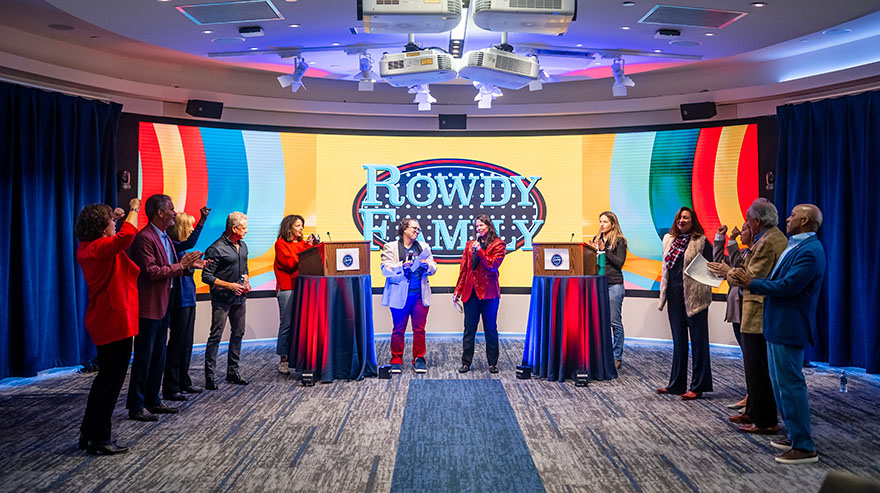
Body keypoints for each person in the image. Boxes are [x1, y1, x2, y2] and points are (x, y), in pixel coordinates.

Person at [730, 204, 825, 464]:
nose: (788, 218)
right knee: (780, 385)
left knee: (791, 386)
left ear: (805, 220)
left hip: (789, 326)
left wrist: (751, 282)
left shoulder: (810, 251)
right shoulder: (795, 245)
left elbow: (788, 286)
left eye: (793, 215)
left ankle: (804, 447)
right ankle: (794, 436)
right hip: (777, 324)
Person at [712, 198, 788, 435]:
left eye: (748, 220)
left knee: (758, 368)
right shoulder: (768, 238)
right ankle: (753, 411)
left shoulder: (768, 242)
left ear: (756, 221)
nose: (746, 224)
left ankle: (765, 420)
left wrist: (727, 272)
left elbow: (750, 277)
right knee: (753, 367)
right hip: (754, 311)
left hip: (758, 312)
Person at [127, 195, 205, 422]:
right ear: (159, 213)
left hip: (164, 304)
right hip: (150, 306)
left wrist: (190, 266)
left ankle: (153, 400)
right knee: (144, 357)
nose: (174, 212)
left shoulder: (164, 237)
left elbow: (172, 268)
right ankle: (137, 405)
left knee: (159, 356)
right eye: (171, 209)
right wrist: (181, 265)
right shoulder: (144, 238)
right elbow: (151, 272)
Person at [75, 198, 141, 455]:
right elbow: (127, 236)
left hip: (105, 319)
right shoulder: (99, 247)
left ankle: (89, 433)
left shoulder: (88, 246)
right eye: (112, 222)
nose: (116, 223)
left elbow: (117, 233)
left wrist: (113, 216)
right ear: (102, 228)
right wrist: (134, 208)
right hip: (114, 320)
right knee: (111, 382)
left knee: (105, 380)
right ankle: (100, 437)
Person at [656, 207, 713, 400]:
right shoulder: (669, 240)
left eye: (686, 217)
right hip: (674, 295)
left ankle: (698, 386)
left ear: (692, 221)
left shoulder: (701, 241)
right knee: (678, 342)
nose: (682, 220)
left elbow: (711, 267)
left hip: (695, 297)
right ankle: (676, 384)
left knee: (699, 343)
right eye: (679, 217)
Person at [163, 207, 210, 401]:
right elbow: (191, 242)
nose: (191, 230)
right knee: (177, 343)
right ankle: (172, 385)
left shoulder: (183, 250)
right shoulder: (174, 247)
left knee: (186, 343)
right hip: (178, 300)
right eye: (189, 227)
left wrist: (197, 266)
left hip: (189, 298)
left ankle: (184, 380)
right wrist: (202, 221)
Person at [381, 217, 438, 373]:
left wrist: (428, 265)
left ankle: (419, 358)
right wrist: (401, 265)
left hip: (419, 295)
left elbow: (434, 267)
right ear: (404, 229)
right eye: (414, 228)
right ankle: (396, 359)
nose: (417, 231)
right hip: (400, 295)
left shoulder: (424, 247)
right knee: (398, 329)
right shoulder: (391, 247)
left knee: (419, 329)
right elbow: (385, 269)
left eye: (418, 229)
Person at [202, 211, 251, 390]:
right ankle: (210, 376)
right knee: (216, 335)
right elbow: (206, 276)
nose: (246, 231)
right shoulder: (215, 248)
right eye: (244, 228)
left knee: (238, 333)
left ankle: (233, 372)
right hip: (222, 299)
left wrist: (246, 281)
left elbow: (244, 268)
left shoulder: (243, 246)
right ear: (234, 228)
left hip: (240, 298)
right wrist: (229, 285)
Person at [453, 214, 506, 374]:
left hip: (489, 294)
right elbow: (464, 269)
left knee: (490, 329)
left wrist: (480, 252)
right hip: (471, 293)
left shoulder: (499, 244)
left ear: (489, 226)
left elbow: (492, 265)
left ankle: (492, 363)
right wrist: (457, 290)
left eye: (481, 226)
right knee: (469, 329)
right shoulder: (470, 245)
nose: (478, 229)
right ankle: (466, 362)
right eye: (476, 226)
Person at [710, 222, 750, 410]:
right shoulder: (743, 253)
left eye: (745, 228)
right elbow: (720, 263)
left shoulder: (753, 254)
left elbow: (738, 269)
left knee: (752, 357)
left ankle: (753, 397)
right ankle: (750, 395)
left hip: (748, 310)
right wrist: (720, 238)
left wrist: (732, 241)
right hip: (736, 310)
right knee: (746, 355)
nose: (741, 232)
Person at [273, 214, 318, 375]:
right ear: (289, 227)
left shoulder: (302, 244)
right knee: (287, 324)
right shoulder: (280, 244)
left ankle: (299, 357)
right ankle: (283, 360)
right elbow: (291, 263)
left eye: (302, 225)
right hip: (287, 288)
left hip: (303, 287)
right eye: (298, 225)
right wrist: (307, 247)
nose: (301, 229)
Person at [590, 211, 627, 370]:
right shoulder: (596, 239)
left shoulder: (619, 241)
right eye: (600, 221)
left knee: (614, 322)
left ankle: (616, 356)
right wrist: (591, 251)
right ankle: (600, 355)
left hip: (614, 284)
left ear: (613, 223)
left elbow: (619, 263)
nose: (602, 225)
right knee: (598, 322)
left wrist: (605, 250)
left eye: (605, 221)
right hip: (598, 284)